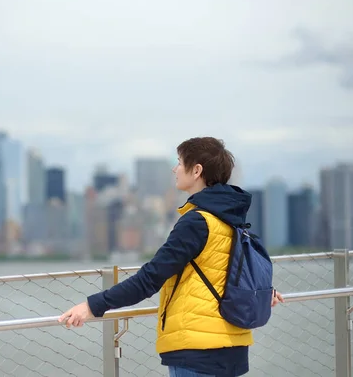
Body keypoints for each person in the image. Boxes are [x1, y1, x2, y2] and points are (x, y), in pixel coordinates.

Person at [58, 137, 285, 377]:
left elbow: (150, 278)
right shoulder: (233, 220)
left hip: (197, 351)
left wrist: (92, 306)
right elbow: (233, 270)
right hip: (233, 348)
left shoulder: (197, 222)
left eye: (179, 162)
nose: (175, 169)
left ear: (197, 170)